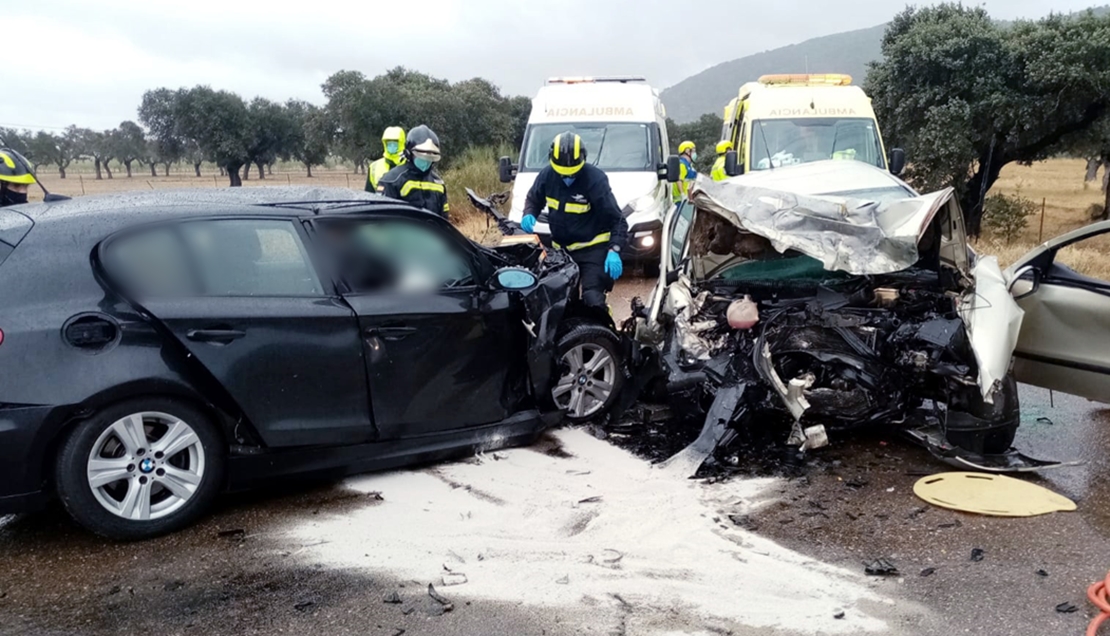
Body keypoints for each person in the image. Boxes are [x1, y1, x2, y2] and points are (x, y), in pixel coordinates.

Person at [521, 132, 628, 308]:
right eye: (562, 175)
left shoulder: (595, 180)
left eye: (572, 174)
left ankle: (603, 331)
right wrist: (529, 213)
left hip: (592, 250)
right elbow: (534, 199)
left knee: (592, 299)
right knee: (559, 303)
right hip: (560, 252)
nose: (567, 179)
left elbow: (618, 220)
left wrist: (614, 249)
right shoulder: (547, 175)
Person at [376, 125, 449, 219]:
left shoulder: (439, 183)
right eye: (421, 156)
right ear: (409, 153)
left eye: (429, 158)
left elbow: (444, 219)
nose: (425, 161)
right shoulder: (392, 180)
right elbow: (383, 218)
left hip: (430, 233)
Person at [365, 126, 406, 192]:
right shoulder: (374, 167)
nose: (392, 146)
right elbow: (368, 194)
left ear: (401, 143)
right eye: (389, 143)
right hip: (381, 201)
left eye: (395, 143)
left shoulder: (409, 165)